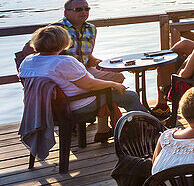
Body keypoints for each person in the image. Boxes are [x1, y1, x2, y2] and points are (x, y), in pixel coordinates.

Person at [18, 0, 128, 139]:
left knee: (117, 76)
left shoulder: (91, 29)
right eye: (78, 9)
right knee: (109, 90)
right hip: (66, 76)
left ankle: (103, 129)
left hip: (79, 71)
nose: (84, 12)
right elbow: (30, 47)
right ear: (66, 12)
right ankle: (121, 128)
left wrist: (94, 60)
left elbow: (88, 54)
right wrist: (48, 63)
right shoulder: (55, 30)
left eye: (86, 9)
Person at [18, 26, 148, 141]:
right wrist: (113, 84)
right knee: (130, 96)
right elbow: (89, 85)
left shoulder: (28, 61)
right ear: (63, 43)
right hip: (77, 106)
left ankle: (109, 130)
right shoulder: (63, 62)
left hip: (43, 109)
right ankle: (148, 129)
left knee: (109, 93)